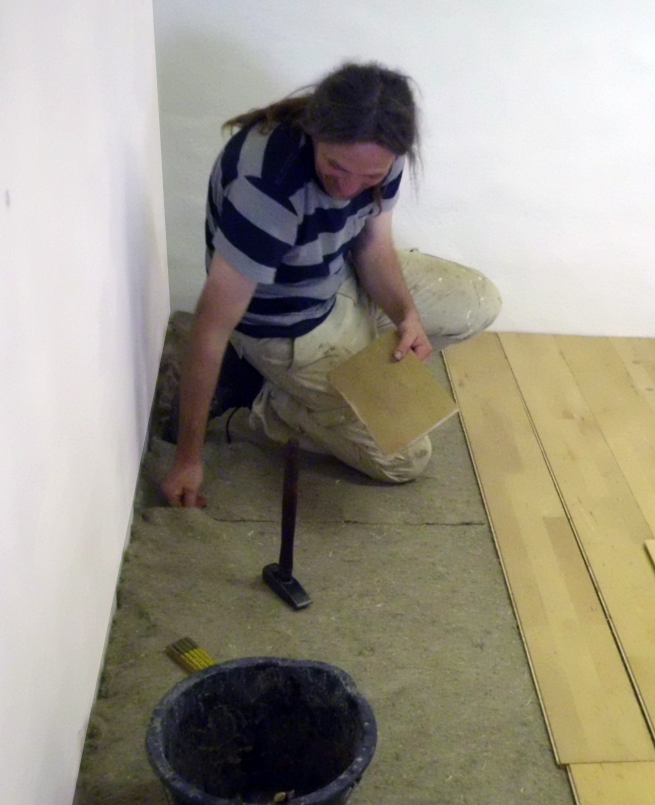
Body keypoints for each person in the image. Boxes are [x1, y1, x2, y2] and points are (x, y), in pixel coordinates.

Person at [162, 62, 501, 508]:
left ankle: (333, 371)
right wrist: (188, 458)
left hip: (339, 277)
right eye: (335, 168)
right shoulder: (268, 185)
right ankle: (256, 405)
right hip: (286, 326)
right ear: (314, 131)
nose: (348, 189)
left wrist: (407, 316)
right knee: (406, 460)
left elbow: (374, 246)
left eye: (370, 178)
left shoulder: (383, 151)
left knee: (479, 301)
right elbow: (211, 327)